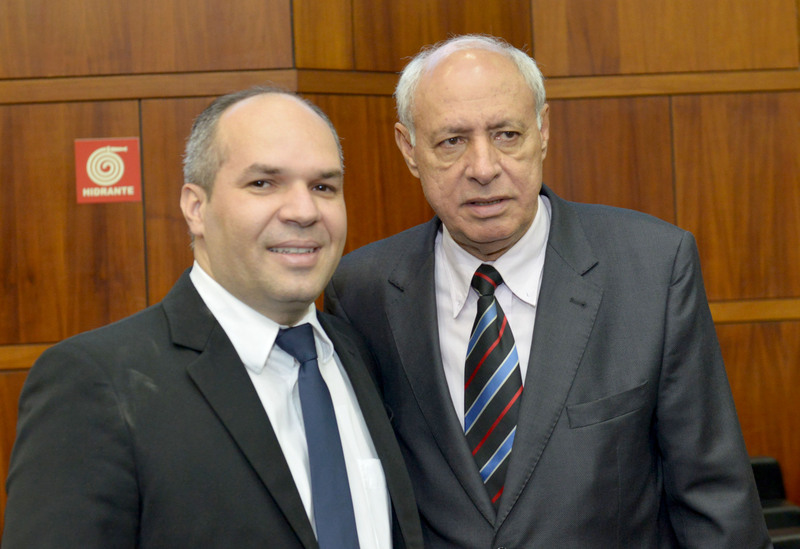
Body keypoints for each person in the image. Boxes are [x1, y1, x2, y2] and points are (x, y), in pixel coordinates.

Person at [324, 35, 770, 547]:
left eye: (507, 134)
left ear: (543, 130)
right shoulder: (359, 291)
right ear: (409, 149)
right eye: (452, 141)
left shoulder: (652, 269)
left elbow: (717, 501)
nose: (484, 167)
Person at [3, 87, 423, 549]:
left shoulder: (366, 353)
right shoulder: (95, 383)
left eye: (323, 187)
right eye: (263, 183)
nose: (304, 211)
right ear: (196, 208)